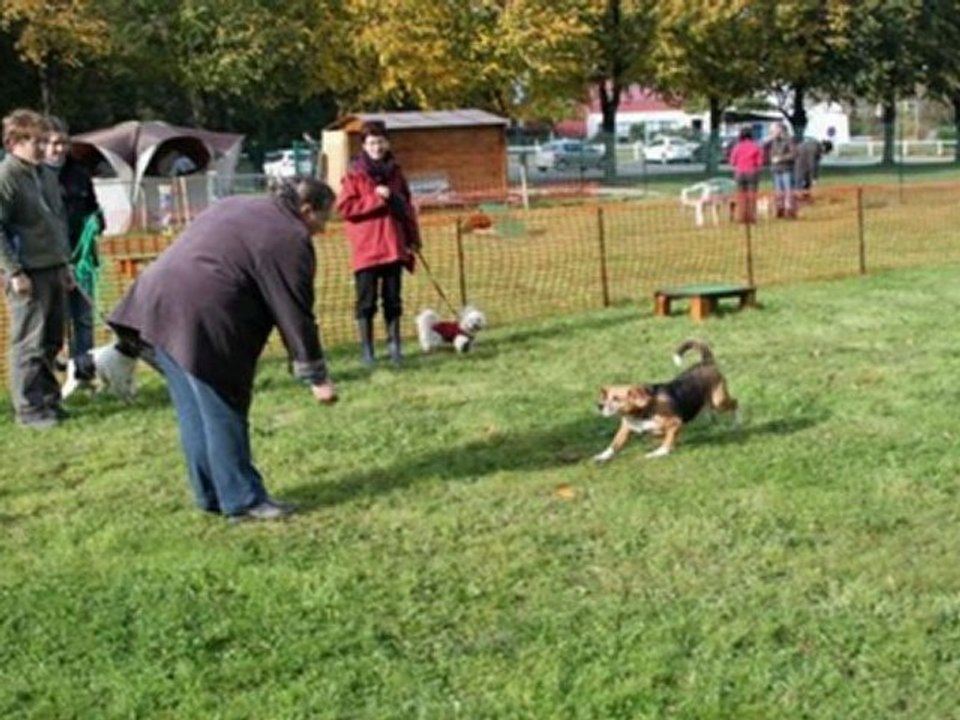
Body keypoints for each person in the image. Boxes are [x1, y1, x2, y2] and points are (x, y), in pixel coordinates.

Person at [108, 178, 338, 522]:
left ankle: (211, 495)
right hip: (202, 318)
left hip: (153, 306)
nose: (322, 229)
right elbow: (294, 310)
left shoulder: (237, 204)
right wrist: (315, 375)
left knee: (194, 411)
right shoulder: (290, 236)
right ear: (306, 210)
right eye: (324, 219)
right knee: (222, 409)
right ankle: (243, 500)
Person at [0, 109, 72, 429]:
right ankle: (28, 410)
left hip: (54, 266)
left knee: (52, 340)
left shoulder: (45, 174)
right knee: (28, 342)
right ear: (16, 141)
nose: (44, 148)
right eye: (37, 141)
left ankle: (48, 401)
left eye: (46, 141)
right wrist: (14, 272)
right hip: (28, 273)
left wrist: (65, 263)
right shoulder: (7, 176)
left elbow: (57, 220)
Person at [336, 120, 421, 366]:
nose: (377, 147)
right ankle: (368, 351)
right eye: (371, 142)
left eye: (380, 141)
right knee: (366, 302)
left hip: (393, 246)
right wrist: (376, 199)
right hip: (367, 249)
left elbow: (406, 207)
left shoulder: (396, 173)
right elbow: (345, 208)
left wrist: (413, 238)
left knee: (393, 300)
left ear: (387, 142)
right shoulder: (354, 174)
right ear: (363, 145)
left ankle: (395, 348)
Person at [44, 116, 104, 360]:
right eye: (53, 143)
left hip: (81, 260)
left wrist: (97, 222)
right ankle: (50, 370)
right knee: (53, 321)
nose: (59, 149)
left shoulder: (79, 174)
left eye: (63, 143)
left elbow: (93, 207)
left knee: (83, 317)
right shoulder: (34, 176)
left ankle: (84, 370)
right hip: (48, 261)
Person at [728, 126, 764, 224]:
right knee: (752, 196)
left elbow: (732, 162)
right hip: (752, 172)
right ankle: (751, 217)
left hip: (739, 173)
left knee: (741, 196)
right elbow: (760, 162)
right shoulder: (756, 146)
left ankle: (742, 217)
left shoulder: (737, 146)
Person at [766, 122, 797, 218]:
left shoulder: (789, 140)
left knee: (788, 191)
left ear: (780, 129)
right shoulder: (772, 141)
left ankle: (789, 210)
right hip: (776, 170)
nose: (771, 132)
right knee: (778, 191)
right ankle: (780, 209)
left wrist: (780, 158)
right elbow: (763, 147)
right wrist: (769, 139)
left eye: (773, 130)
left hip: (786, 169)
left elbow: (794, 154)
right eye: (771, 130)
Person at [794, 138, 833, 202]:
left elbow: (815, 165)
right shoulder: (814, 148)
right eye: (826, 151)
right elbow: (812, 164)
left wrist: (814, 177)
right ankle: (798, 199)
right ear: (824, 147)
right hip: (801, 163)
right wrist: (814, 178)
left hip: (802, 162)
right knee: (800, 181)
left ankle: (805, 197)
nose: (824, 153)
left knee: (805, 181)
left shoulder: (816, 145)